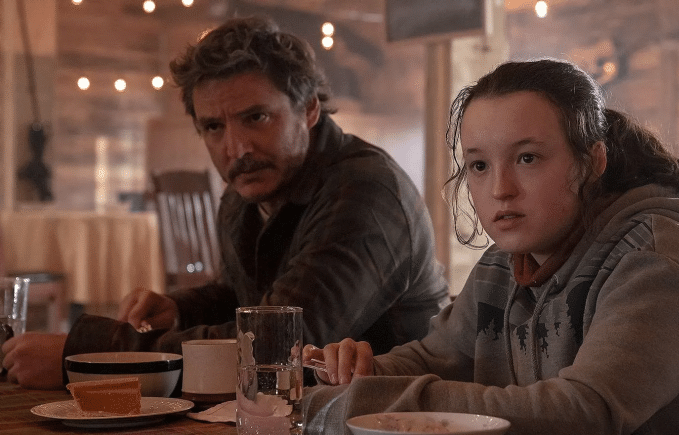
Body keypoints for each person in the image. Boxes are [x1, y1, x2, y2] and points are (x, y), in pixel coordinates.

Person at [300, 58, 679, 435]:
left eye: (527, 158)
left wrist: (367, 406)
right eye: (479, 166)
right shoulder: (503, 265)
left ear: (592, 162)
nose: (500, 189)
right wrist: (361, 371)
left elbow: (585, 416)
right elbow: (436, 358)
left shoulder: (654, 261)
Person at [1, 16, 449, 389]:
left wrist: (85, 356)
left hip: (385, 430)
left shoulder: (365, 193)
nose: (236, 148)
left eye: (256, 117)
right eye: (214, 127)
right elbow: (244, 294)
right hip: (286, 418)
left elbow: (278, 345)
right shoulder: (246, 191)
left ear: (309, 109)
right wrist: (180, 308)